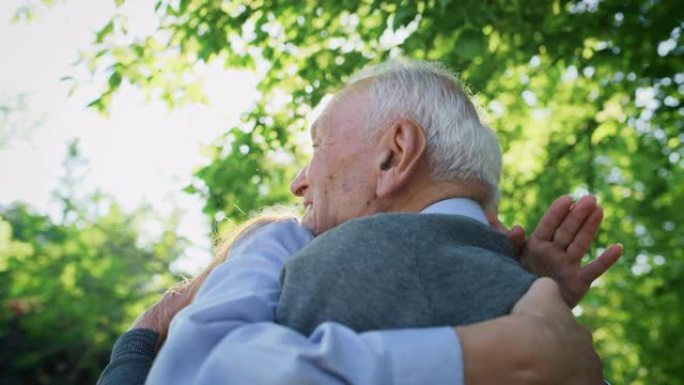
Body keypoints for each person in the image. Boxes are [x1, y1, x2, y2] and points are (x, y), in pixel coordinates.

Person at [98, 60, 622, 385]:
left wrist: (142, 337)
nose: (298, 183)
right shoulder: (544, 309)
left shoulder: (339, 263)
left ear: (394, 156)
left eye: (317, 145)